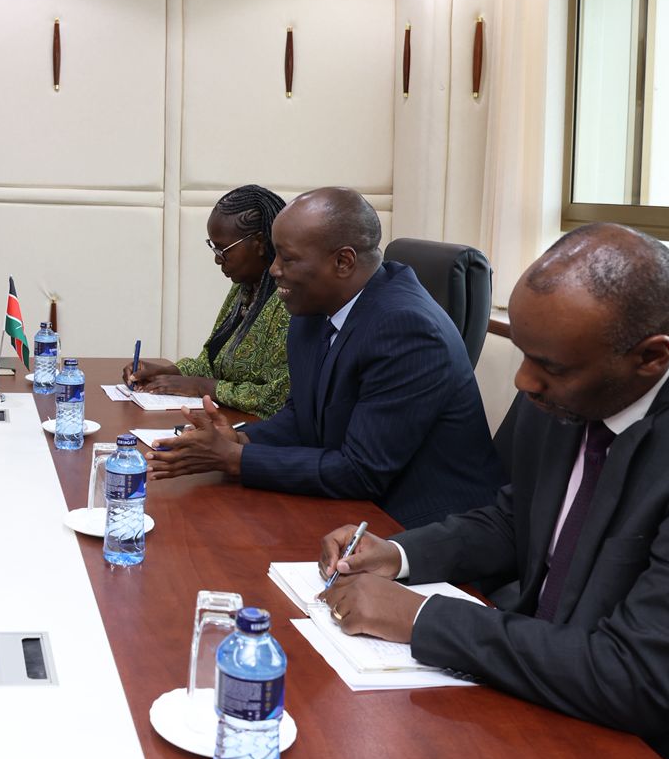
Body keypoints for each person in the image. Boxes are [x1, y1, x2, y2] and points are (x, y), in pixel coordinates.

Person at [316, 224, 669, 759]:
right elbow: (520, 518)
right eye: (523, 354)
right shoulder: (574, 382)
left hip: (665, 747)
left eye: (550, 367)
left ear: (651, 357)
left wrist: (419, 617)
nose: (524, 381)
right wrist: (399, 555)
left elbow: (637, 677)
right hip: (545, 683)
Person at [143, 187, 503, 529]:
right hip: (354, 509)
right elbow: (302, 417)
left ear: (343, 261)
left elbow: (361, 471)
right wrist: (238, 441)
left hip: (419, 526)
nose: (274, 269)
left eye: (288, 258)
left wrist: (234, 459)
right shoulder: (314, 309)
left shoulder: (407, 329)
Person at [122, 184, 290, 416]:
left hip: (257, 430)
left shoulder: (289, 301)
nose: (218, 260)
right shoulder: (244, 289)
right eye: (214, 248)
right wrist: (168, 372)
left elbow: (280, 395)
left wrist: (203, 387)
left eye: (223, 250)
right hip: (226, 419)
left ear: (259, 243)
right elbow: (211, 364)